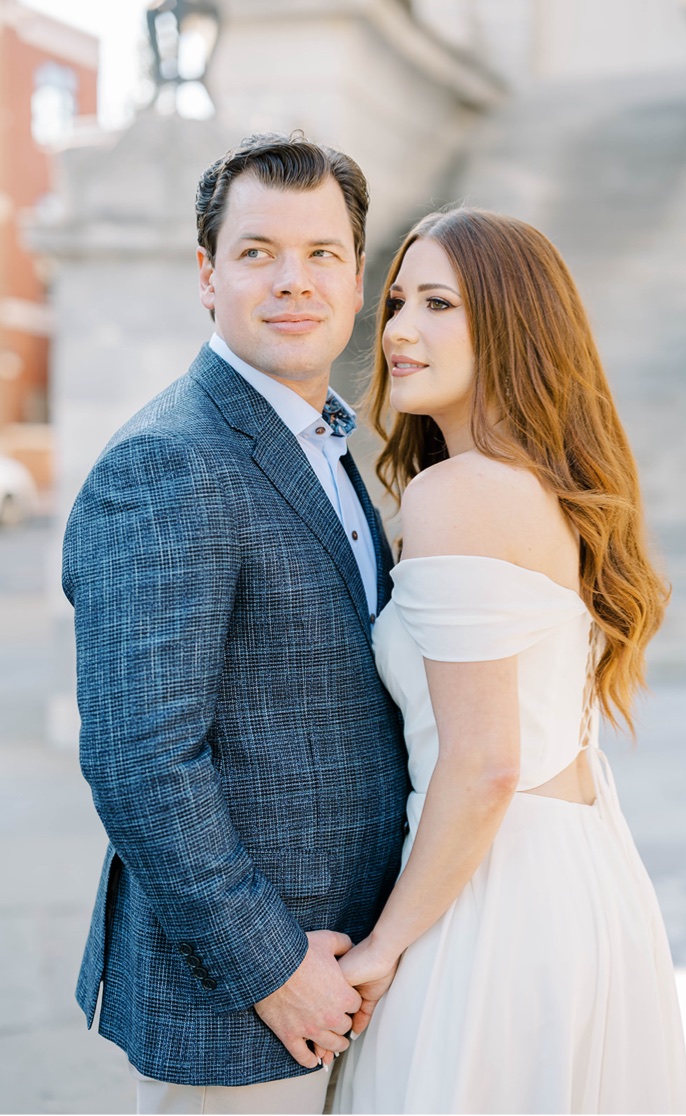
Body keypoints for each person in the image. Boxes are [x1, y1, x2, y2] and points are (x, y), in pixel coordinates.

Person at [62, 133, 409, 1113]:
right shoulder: (169, 464)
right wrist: (269, 967)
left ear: (355, 279)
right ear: (209, 276)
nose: (292, 281)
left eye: (321, 254)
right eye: (259, 252)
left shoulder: (329, 442)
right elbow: (141, 759)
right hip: (241, 1004)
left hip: (345, 975)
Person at [329, 208, 686, 1113]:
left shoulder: (459, 495)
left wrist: (381, 949)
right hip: (579, 877)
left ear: (511, 325)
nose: (401, 330)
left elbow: (486, 763)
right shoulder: (543, 488)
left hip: (489, 899)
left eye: (441, 304)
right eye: (399, 301)